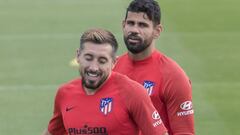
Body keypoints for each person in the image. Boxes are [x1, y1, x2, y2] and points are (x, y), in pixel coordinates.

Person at [42, 28, 168, 135]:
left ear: (114, 62)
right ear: (78, 56)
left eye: (102, 61)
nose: (93, 67)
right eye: (88, 58)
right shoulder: (65, 94)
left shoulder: (132, 92)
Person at [113, 0, 195, 134]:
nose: (134, 30)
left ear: (157, 31)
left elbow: (184, 131)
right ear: (123, 25)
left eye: (143, 25)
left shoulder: (173, 76)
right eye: (130, 23)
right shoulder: (111, 68)